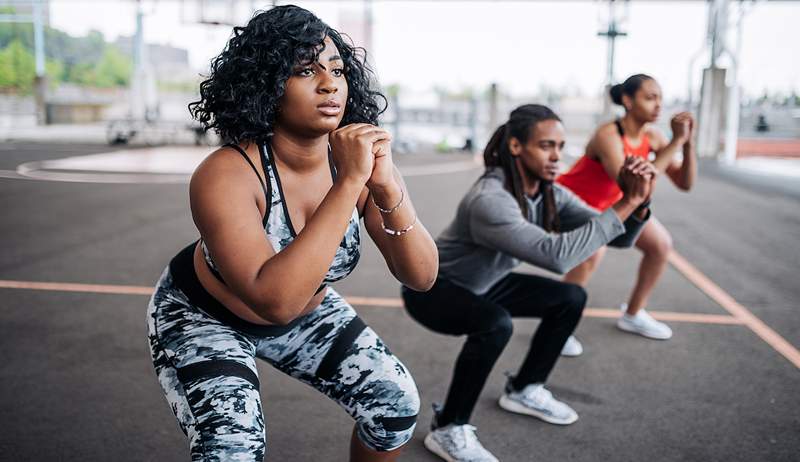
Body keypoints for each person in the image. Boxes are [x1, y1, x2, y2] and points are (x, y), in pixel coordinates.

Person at [146, 6, 438, 461]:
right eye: (305, 70)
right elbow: (275, 300)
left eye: (337, 69)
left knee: (394, 404)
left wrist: (382, 185)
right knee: (233, 450)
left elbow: (421, 276)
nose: (329, 83)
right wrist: (348, 184)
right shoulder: (227, 174)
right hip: (204, 317)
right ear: (266, 85)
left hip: (307, 315)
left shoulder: (360, 166)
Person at [402, 104, 654, 462]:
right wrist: (625, 201)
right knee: (495, 324)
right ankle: (448, 428)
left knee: (570, 297)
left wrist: (638, 203)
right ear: (517, 146)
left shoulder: (549, 192)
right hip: (434, 290)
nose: (557, 156)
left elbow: (617, 237)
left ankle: (524, 389)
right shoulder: (490, 199)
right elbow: (559, 257)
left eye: (561, 146)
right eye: (546, 145)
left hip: (488, 282)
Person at [557, 74, 696, 342]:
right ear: (627, 100)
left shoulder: (652, 136)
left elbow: (685, 183)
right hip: (575, 202)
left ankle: (633, 315)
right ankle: (558, 329)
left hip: (616, 203)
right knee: (591, 256)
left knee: (661, 245)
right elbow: (632, 183)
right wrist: (676, 143)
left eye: (660, 98)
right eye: (649, 97)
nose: (658, 105)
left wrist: (687, 144)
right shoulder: (607, 134)